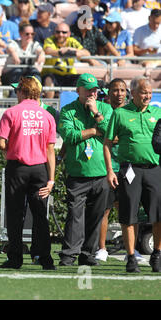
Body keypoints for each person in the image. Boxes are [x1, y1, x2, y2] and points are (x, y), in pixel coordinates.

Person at [0, 76, 57, 270]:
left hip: (18, 167)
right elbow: (50, 150)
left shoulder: (11, 112)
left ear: (21, 92)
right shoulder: (46, 115)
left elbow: (0, 143)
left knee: (15, 215)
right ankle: (45, 259)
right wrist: (51, 179)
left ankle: (15, 259)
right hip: (40, 170)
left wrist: (11, 150)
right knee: (40, 216)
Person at [104, 76, 161, 273]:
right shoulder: (120, 113)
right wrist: (110, 170)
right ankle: (131, 257)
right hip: (130, 170)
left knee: (159, 216)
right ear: (133, 93)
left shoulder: (158, 113)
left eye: (150, 92)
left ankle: (157, 255)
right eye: (144, 92)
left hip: (155, 170)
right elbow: (107, 143)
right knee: (129, 216)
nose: (148, 96)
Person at [57, 73, 113, 267]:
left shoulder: (105, 108)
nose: (92, 93)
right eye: (88, 89)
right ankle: (69, 254)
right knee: (75, 215)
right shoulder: (67, 110)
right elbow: (69, 135)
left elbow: (112, 135)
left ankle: (87, 254)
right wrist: (93, 131)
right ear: (78, 90)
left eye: (95, 89)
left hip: (101, 172)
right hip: (77, 172)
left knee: (96, 217)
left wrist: (97, 113)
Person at [95, 78, 127, 262]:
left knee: (126, 210)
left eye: (122, 90)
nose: (119, 94)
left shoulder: (131, 111)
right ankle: (101, 248)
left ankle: (130, 248)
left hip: (126, 167)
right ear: (108, 92)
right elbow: (111, 136)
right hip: (106, 168)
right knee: (104, 211)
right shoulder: (103, 111)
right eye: (115, 90)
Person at [42, 23, 90, 99]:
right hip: (52, 74)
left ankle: (82, 106)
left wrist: (71, 50)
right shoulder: (50, 40)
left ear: (69, 34)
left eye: (64, 32)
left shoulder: (72, 41)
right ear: (54, 33)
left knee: (83, 79)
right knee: (49, 79)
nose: (60, 34)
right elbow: (48, 51)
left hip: (69, 74)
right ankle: (49, 106)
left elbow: (87, 53)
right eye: (58, 32)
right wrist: (61, 52)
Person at [1, 21, 45, 87]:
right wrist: (14, 54)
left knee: (35, 74)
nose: (30, 36)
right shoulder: (14, 43)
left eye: (32, 34)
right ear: (20, 34)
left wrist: (41, 55)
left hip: (26, 74)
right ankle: (14, 95)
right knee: (17, 71)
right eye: (27, 34)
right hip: (9, 74)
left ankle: (36, 95)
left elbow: (39, 50)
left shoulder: (34, 44)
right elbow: (9, 47)